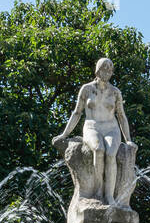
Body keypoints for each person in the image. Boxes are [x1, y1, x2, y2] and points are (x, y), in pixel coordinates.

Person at [52, 58, 137, 207]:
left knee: (111, 154)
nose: (107, 72)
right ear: (97, 70)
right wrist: (64, 134)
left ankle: (109, 196)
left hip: (112, 128)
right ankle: (98, 192)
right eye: (104, 69)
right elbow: (77, 113)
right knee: (99, 150)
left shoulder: (115, 92)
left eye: (110, 70)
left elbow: (122, 116)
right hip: (92, 127)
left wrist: (128, 139)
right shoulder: (87, 89)